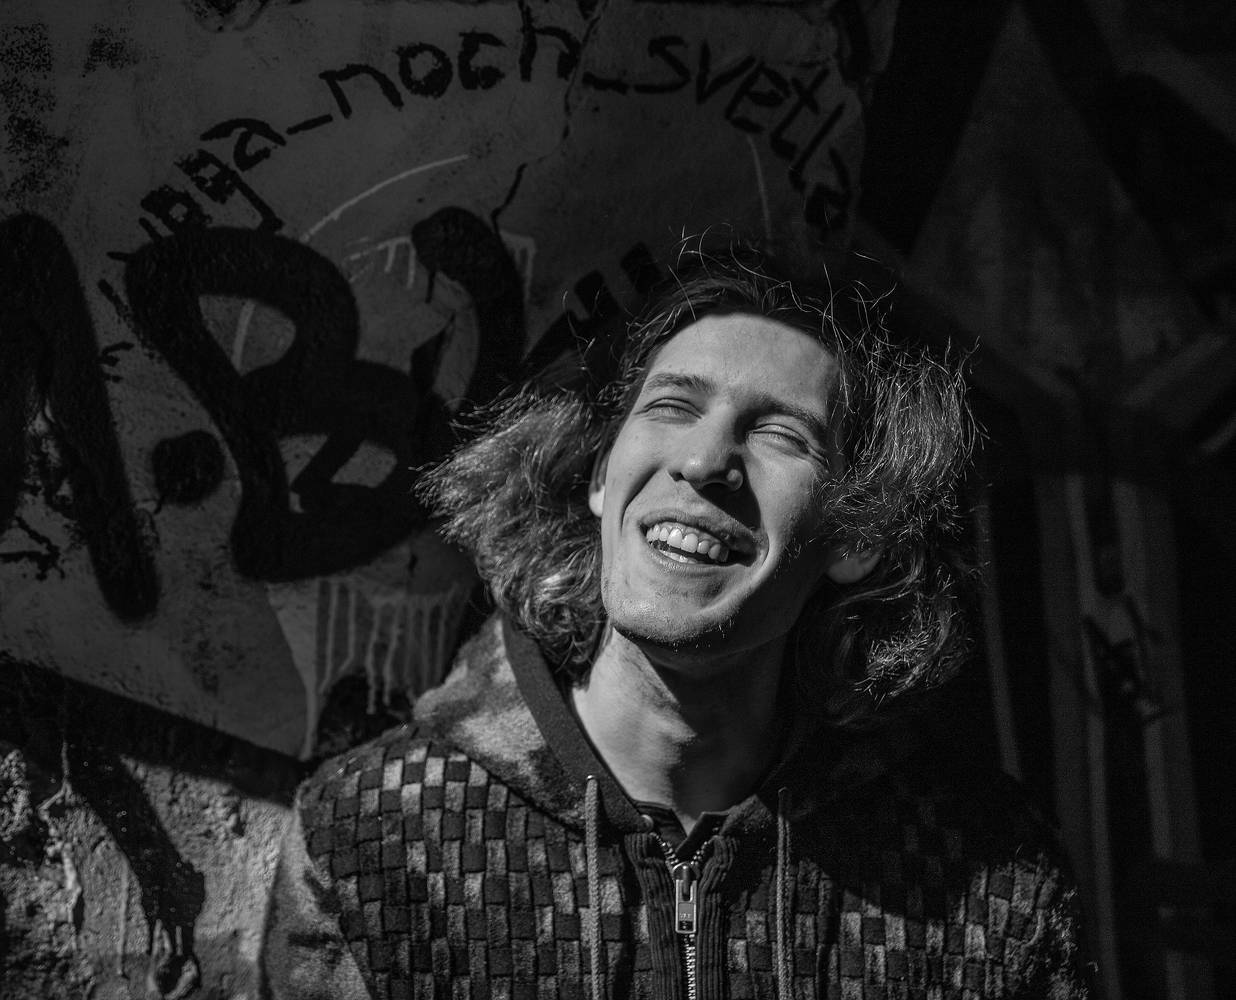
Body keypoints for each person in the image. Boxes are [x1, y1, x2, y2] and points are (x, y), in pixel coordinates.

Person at [263, 242, 1089, 999]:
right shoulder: (373, 841)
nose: (702, 462)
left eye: (779, 434)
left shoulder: (983, 879)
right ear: (600, 475)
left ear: (857, 537)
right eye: (671, 406)